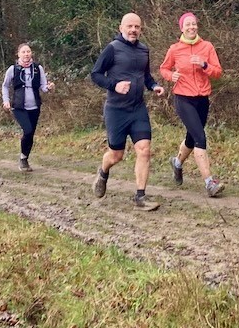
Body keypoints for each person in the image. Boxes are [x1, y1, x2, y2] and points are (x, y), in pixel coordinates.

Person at [90, 12, 167, 211]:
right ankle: (103, 171)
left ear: (141, 29)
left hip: (137, 109)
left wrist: (154, 86)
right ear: (121, 28)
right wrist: (114, 85)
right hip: (116, 110)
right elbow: (96, 74)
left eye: (137, 27)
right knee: (116, 155)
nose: (133, 30)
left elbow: (146, 76)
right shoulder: (112, 49)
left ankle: (140, 197)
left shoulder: (144, 50)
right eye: (130, 26)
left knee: (144, 150)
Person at [160, 12, 225, 197]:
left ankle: (177, 163)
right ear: (182, 28)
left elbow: (218, 72)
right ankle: (209, 183)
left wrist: (205, 65)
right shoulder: (175, 49)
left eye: (194, 24)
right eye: (187, 25)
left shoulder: (207, 46)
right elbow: (164, 68)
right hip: (183, 98)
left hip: (202, 99)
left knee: (191, 137)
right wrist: (170, 76)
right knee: (200, 138)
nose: (191, 27)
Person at [0, 43, 50, 172]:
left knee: (31, 134)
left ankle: (24, 158)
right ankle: (23, 158)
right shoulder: (13, 69)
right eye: (23, 52)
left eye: (28, 51)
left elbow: (43, 86)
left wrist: (49, 88)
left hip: (35, 106)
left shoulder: (37, 68)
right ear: (18, 54)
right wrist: (6, 101)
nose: (26, 54)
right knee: (27, 130)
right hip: (19, 106)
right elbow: (5, 86)